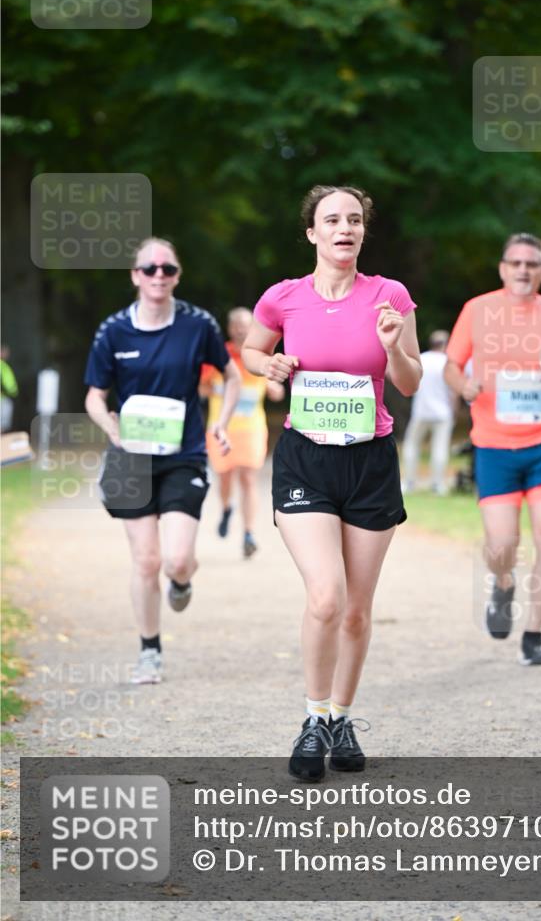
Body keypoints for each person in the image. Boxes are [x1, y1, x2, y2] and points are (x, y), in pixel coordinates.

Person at [242, 185, 421, 781]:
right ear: (312, 233)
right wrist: (267, 364)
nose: (344, 228)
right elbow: (251, 348)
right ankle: (314, 718)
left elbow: (412, 381)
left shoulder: (388, 296)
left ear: (362, 232)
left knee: (356, 610)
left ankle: (342, 715)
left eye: (354, 219)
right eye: (331, 220)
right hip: (306, 460)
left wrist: (394, 347)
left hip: (369, 461)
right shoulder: (284, 298)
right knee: (326, 596)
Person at [84, 238, 241, 684]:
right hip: (131, 457)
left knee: (175, 559)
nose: (158, 276)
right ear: (135, 275)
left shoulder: (197, 325)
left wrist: (222, 422)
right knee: (146, 560)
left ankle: (183, 579)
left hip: (183, 455)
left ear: (177, 274)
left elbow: (230, 377)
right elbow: (94, 397)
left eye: (167, 269)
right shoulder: (112, 330)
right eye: (149, 269)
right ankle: (149, 650)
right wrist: (111, 428)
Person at [445, 233, 541, 667]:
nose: (522, 270)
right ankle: (502, 584)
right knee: (502, 545)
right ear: (502, 268)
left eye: (531, 263)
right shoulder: (477, 310)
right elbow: (450, 365)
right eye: (515, 262)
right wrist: (464, 385)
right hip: (494, 445)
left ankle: (533, 634)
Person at [200, 307, 284, 558]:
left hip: (252, 429)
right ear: (229, 328)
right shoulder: (216, 355)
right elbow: (201, 390)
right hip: (220, 430)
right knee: (225, 478)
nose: (240, 329)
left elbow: (275, 389)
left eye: (245, 324)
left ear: (252, 328)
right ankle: (226, 508)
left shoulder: (259, 354)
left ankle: (248, 533)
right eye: (236, 324)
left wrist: (275, 389)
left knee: (248, 479)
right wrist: (217, 392)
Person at [401, 330, 457, 494]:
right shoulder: (447, 362)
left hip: (421, 411)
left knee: (411, 445)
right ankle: (437, 484)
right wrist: (453, 411)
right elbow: (453, 391)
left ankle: (409, 482)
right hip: (443, 412)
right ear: (445, 344)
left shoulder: (422, 359)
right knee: (440, 448)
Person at [1, 345, 19, 433]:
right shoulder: (3, 367)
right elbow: (10, 386)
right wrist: (13, 391)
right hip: (2, 399)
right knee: (2, 425)